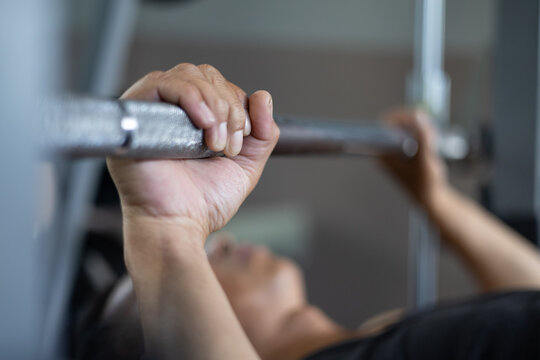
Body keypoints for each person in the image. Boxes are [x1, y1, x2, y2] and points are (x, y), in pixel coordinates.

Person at [82, 63, 540, 359]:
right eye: (196, 268)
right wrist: (167, 231)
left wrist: (436, 200)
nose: (218, 243)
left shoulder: (380, 334)